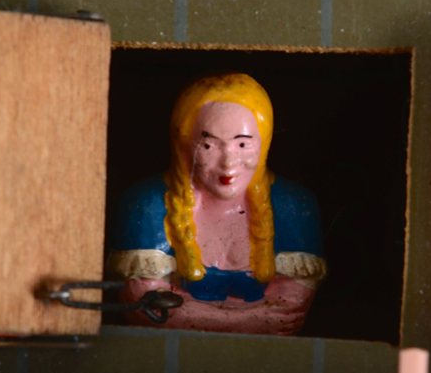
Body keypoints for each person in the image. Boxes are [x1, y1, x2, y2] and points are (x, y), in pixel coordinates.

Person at [108, 73, 325, 335]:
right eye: (209, 145)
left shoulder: (292, 207)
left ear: (264, 141)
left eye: (243, 144)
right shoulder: (147, 205)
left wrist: (190, 317)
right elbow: (148, 311)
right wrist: (251, 320)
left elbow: (289, 313)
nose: (228, 164)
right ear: (184, 142)